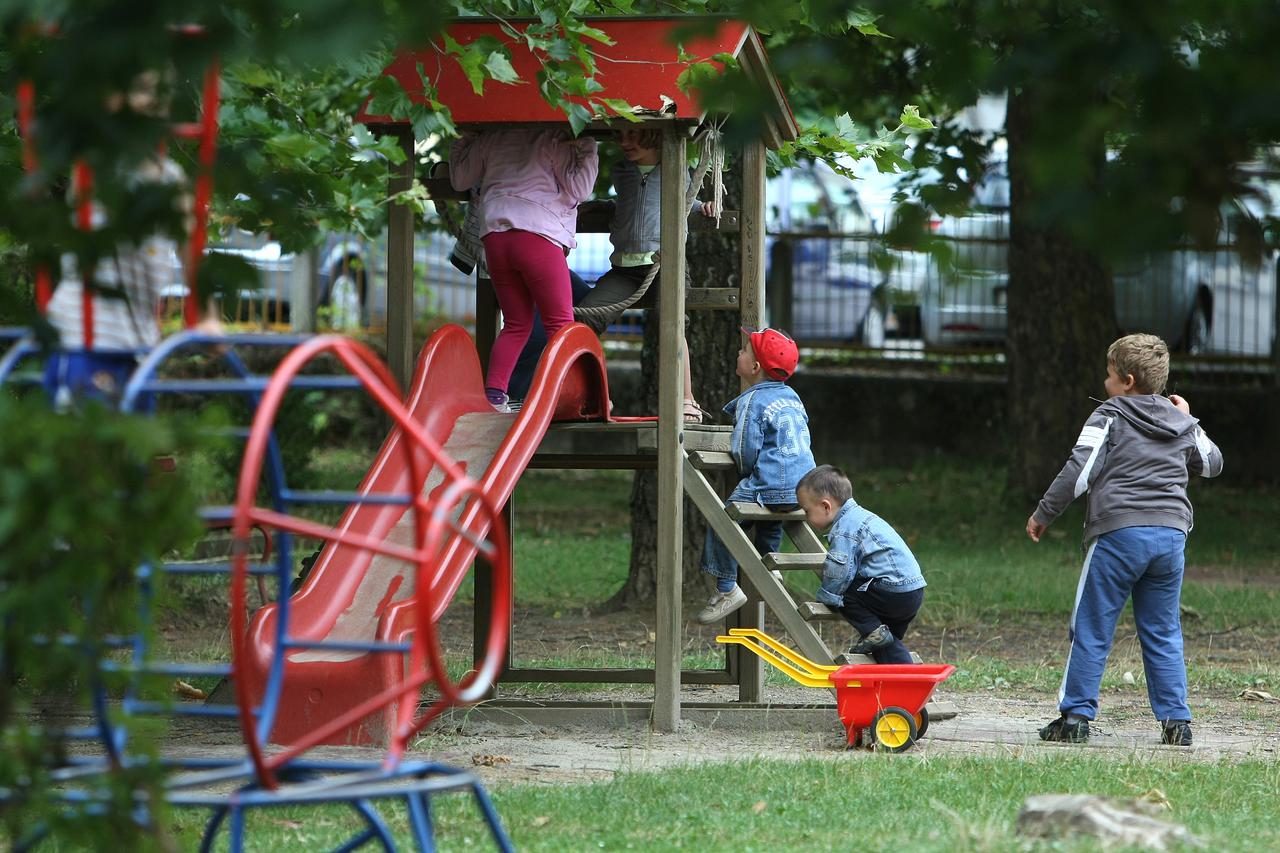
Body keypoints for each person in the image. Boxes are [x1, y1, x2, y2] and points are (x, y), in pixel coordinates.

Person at [1026, 333, 1223, 746]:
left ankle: (1075, 717)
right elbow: (1211, 463)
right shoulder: (1181, 422)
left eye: (1109, 376)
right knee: (1163, 628)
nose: (1105, 384)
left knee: (1093, 623)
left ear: (1127, 381)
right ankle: (1176, 723)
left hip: (1119, 534)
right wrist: (1191, 419)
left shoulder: (1110, 415)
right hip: (1170, 538)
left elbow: (1079, 471)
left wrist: (1044, 513)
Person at [43, 71, 220, 408]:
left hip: (137, 345)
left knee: (134, 455)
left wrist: (208, 316)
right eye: (140, 90)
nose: (153, 101)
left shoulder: (172, 179)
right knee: (91, 454)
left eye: (161, 91)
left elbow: (192, 251)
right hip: (84, 337)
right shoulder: (97, 166)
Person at [448, 127, 598, 412]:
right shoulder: (553, 136)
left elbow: (459, 180)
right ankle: (564, 395)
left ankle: (494, 395)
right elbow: (581, 189)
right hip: (537, 236)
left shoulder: (490, 137)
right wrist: (588, 146)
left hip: (495, 238)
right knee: (560, 325)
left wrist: (464, 137)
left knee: (516, 324)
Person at [575, 127, 715, 421]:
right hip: (625, 270)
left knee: (673, 324)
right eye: (621, 136)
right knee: (584, 319)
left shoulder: (676, 167)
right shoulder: (623, 172)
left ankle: (687, 399)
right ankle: (592, 398)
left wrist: (706, 207)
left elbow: (687, 202)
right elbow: (630, 206)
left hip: (664, 266)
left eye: (633, 136)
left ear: (654, 135)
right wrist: (597, 208)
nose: (624, 142)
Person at [695, 327, 815, 623]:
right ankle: (770, 570)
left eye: (744, 350)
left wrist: (746, 471)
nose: (739, 353)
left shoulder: (752, 400)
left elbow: (745, 448)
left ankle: (726, 588)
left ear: (755, 367)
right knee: (771, 519)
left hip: (772, 482)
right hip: (804, 486)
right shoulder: (792, 397)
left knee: (724, 520)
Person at [795, 464, 926, 664]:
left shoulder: (845, 528)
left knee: (844, 594)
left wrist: (828, 596)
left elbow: (839, 570)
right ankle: (899, 688)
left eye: (806, 511)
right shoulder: (865, 516)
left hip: (891, 592)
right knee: (884, 646)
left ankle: (903, 675)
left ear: (825, 506)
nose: (805, 517)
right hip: (912, 591)